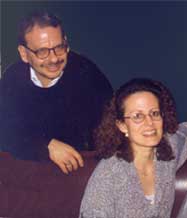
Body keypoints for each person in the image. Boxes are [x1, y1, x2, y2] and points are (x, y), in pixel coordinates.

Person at [79, 78, 187, 218]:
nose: (150, 122)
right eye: (138, 116)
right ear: (121, 125)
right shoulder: (108, 175)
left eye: (154, 113)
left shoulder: (168, 150)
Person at [0, 11, 113, 174]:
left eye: (59, 48)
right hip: (29, 170)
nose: (54, 59)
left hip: (79, 170)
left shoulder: (87, 74)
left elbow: (107, 135)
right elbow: (6, 130)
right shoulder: (13, 78)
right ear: (24, 54)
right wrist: (46, 146)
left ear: (66, 43)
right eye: (42, 52)